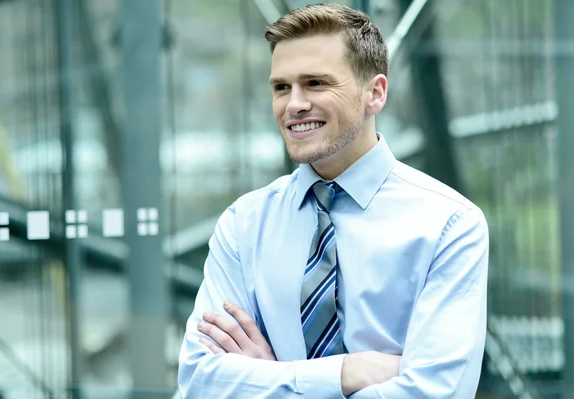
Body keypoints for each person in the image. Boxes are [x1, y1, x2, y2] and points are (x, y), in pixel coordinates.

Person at [177, 2, 488, 398]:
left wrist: (274, 376)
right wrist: (346, 372)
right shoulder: (244, 224)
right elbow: (201, 383)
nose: (294, 104)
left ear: (374, 94)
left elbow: (433, 393)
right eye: (281, 87)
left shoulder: (450, 225)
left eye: (316, 83)